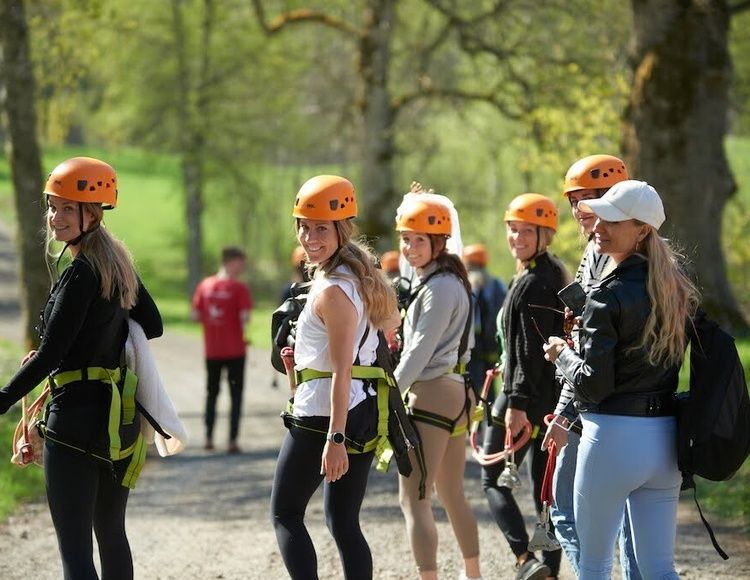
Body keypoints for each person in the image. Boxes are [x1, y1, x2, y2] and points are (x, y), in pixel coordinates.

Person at [0, 157, 163, 580]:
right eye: (52, 207)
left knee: (75, 552)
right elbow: (153, 324)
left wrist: (2, 399)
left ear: (92, 213)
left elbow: (50, 356)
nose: (55, 218)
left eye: (67, 208)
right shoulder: (118, 264)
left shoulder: (80, 274)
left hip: (73, 420)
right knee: (112, 535)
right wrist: (99, 338)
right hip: (118, 421)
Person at [542, 180, 699, 579]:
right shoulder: (675, 288)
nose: (598, 226)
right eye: (599, 217)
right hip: (665, 441)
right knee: (659, 568)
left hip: (611, 439)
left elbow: (594, 384)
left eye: (613, 220)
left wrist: (561, 354)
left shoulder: (604, 294)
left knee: (593, 566)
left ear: (642, 230)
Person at [270, 174, 399, 580]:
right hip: (357, 408)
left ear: (342, 229)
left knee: (286, 513)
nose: (310, 238)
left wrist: (335, 439)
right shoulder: (359, 277)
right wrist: (300, 363)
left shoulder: (333, 290)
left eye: (321, 229)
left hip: (325, 417)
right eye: (304, 227)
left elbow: (343, 369)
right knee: (342, 521)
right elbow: (377, 336)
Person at [542, 154, 641, 579]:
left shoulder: (613, 261)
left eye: (588, 198)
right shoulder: (605, 254)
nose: (580, 209)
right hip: (623, 409)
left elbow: (588, 350)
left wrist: (563, 415)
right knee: (633, 530)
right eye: (573, 201)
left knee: (567, 512)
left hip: (599, 406)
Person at [394, 186, 483, 580]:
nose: (410, 248)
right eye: (406, 239)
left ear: (439, 242)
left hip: (432, 393)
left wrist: (389, 393)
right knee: (451, 493)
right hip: (457, 391)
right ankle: (473, 574)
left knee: (414, 498)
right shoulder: (449, 280)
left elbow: (418, 352)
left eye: (419, 240)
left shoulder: (438, 287)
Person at [481, 194, 569, 580]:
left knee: (492, 480)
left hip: (523, 398)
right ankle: (547, 571)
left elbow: (529, 351)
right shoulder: (543, 273)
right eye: (513, 230)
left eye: (526, 231)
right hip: (544, 399)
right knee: (542, 491)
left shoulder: (535, 282)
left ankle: (525, 559)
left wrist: (516, 404)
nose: (517, 237)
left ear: (544, 235)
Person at [191, 245, 253, 454]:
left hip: (212, 350)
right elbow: (245, 318)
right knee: (236, 396)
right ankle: (232, 441)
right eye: (241, 262)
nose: (243, 267)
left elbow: (195, 315)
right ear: (230, 261)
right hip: (236, 351)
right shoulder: (239, 288)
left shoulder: (205, 285)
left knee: (212, 393)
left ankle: (208, 437)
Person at [462, 243, 507, 402]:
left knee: (471, 388)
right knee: (490, 388)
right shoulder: (496, 284)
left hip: (471, 348)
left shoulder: (466, 285)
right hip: (492, 345)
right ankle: (490, 415)